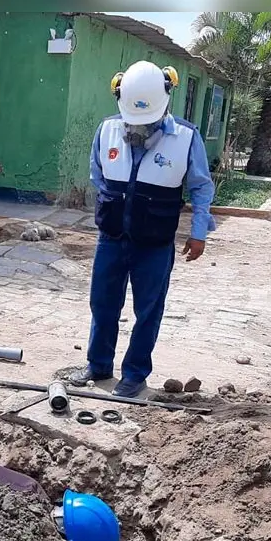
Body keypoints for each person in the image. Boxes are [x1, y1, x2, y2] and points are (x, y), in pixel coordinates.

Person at [71, 61, 216, 398]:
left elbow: (201, 187)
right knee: (103, 303)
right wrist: (114, 203)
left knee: (148, 310)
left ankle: (134, 374)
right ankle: (98, 364)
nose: (140, 127)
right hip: (111, 237)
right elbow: (98, 174)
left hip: (154, 242)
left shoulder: (185, 137)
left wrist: (198, 232)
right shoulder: (107, 130)